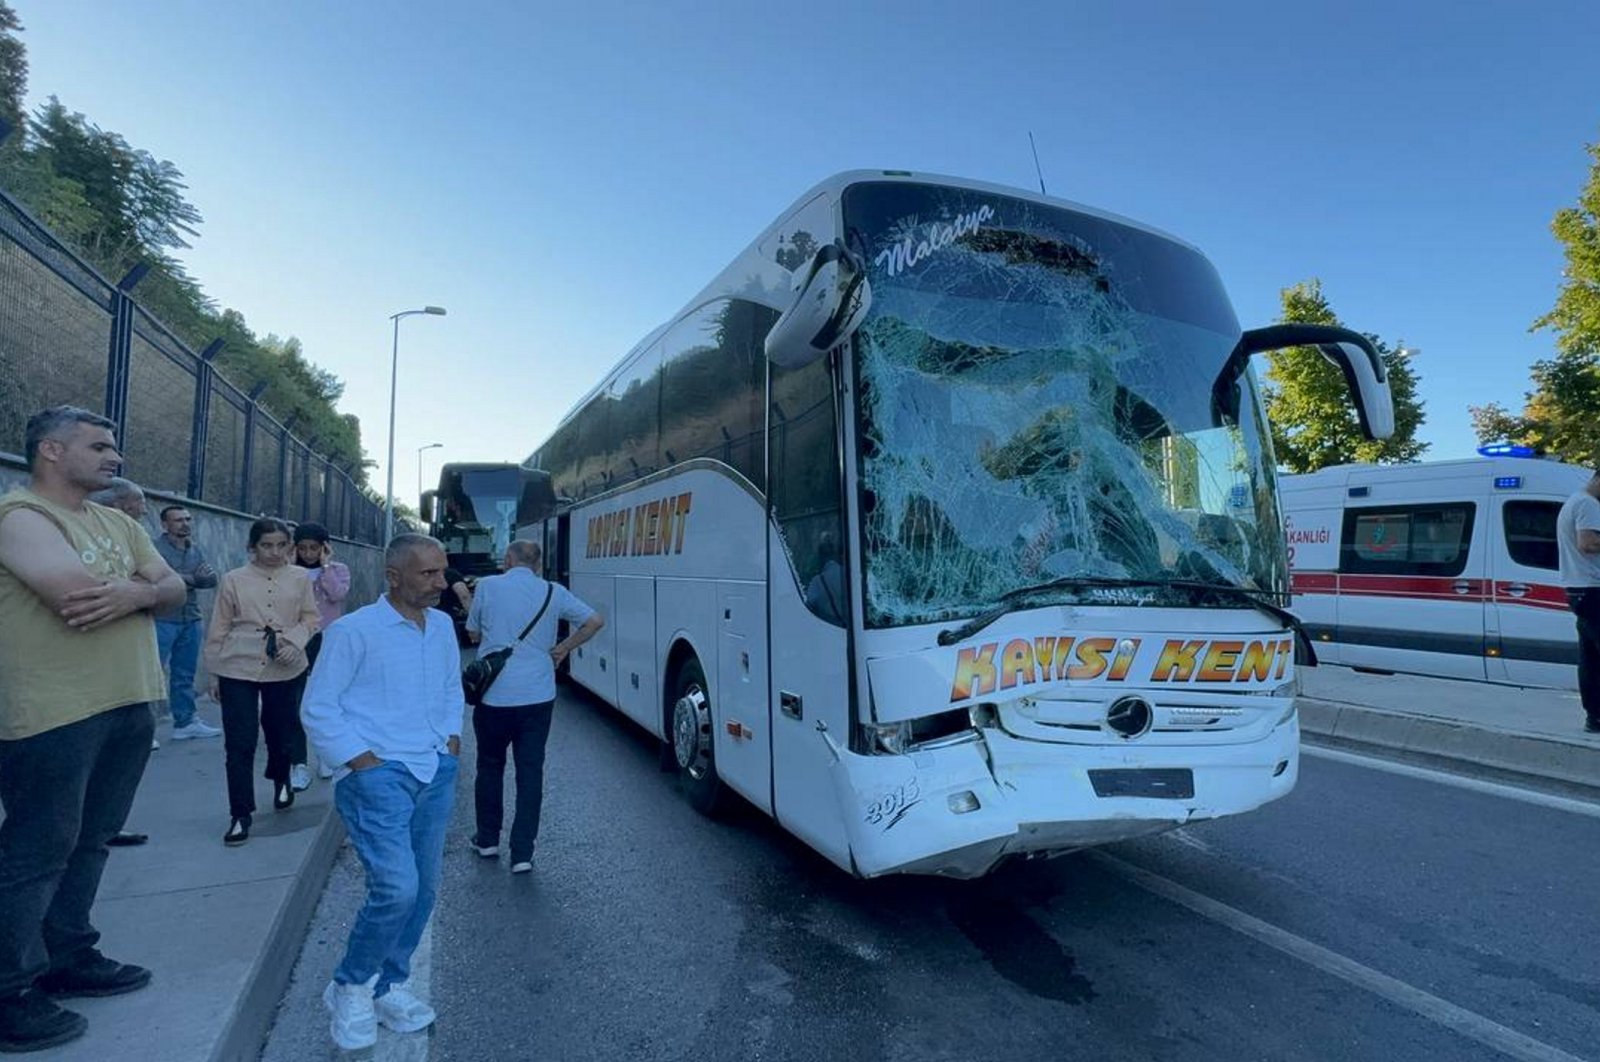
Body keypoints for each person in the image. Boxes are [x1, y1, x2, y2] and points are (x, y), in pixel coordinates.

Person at [0, 406, 185, 1052]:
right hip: (54, 711)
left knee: (92, 840)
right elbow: (76, 596)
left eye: (115, 447)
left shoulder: (114, 519)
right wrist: (147, 589)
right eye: (100, 446)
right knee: (35, 850)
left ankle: (68, 956)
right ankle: (8, 991)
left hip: (127, 703)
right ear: (51, 450)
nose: (116, 457)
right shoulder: (19, 518)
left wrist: (139, 593)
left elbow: (176, 589)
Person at [301, 534, 463, 1051]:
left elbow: (448, 687)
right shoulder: (353, 631)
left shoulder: (440, 627)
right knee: (397, 889)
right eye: (428, 574)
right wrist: (362, 762)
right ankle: (350, 986)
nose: (442, 583)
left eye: (442, 572)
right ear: (393, 576)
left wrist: (451, 741)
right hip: (378, 776)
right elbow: (319, 707)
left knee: (425, 889)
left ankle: (389, 985)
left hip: (434, 769)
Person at [466, 540, 602, 872]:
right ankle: (522, 853)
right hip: (538, 696)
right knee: (530, 772)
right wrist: (563, 647)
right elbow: (594, 621)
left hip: (494, 696)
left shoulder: (487, 587)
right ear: (538, 565)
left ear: (508, 560)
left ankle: (487, 840)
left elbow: (471, 634)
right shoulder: (553, 592)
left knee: (489, 765)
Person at [203, 517, 319, 845]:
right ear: (252, 547)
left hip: (285, 663)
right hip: (237, 663)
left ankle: (281, 777)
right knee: (239, 740)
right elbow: (219, 626)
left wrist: (294, 640)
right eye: (266, 545)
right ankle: (240, 813)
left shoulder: (299, 578)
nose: (274, 552)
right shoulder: (233, 579)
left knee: (280, 731)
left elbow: (311, 617)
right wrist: (213, 671)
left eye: (282, 545)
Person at [151, 505, 221, 742]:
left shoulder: (195, 550)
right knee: (151, 675)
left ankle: (186, 722)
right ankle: (144, 730)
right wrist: (192, 579)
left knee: (185, 674)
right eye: (178, 520)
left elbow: (210, 578)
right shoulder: (154, 549)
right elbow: (158, 578)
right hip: (162, 618)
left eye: (187, 519)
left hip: (191, 618)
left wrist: (181, 579)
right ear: (165, 525)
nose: (185, 523)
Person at [293, 522, 350, 784]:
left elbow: (337, 594)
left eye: (314, 548)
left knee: (322, 700)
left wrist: (325, 567)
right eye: (302, 548)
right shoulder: (289, 573)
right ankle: (298, 764)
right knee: (294, 703)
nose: (308, 553)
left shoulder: (338, 571)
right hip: (295, 639)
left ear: (325, 547)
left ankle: (325, 757)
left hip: (326, 639)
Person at [1556, 469, 1600, 733]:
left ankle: (1595, 717)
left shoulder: (1573, 501)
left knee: (1591, 657)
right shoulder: (1588, 503)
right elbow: (1588, 544)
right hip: (1593, 588)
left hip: (1578, 589)